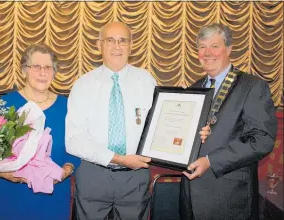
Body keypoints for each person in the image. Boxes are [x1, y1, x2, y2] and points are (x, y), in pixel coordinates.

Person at [65, 21, 210, 220]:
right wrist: (117, 158)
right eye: (110, 40)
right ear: (99, 45)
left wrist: (190, 122)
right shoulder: (82, 85)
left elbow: (162, 126)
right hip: (93, 176)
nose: (117, 46)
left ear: (131, 46)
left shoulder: (146, 81)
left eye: (123, 41)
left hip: (135, 178)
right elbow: (74, 140)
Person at [180, 23, 278, 220]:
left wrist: (211, 161)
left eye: (214, 46)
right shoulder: (194, 88)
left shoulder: (252, 86)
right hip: (190, 195)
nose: (207, 53)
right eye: (202, 47)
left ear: (229, 49)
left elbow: (262, 139)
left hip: (230, 198)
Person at [0, 44, 80, 220]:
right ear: (24, 70)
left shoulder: (68, 107)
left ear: (54, 72)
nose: (43, 72)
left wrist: (68, 169)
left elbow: (77, 147)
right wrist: (1, 172)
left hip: (53, 195)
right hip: (12, 194)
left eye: (48, 67)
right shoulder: (4, 105)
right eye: (36, 67)